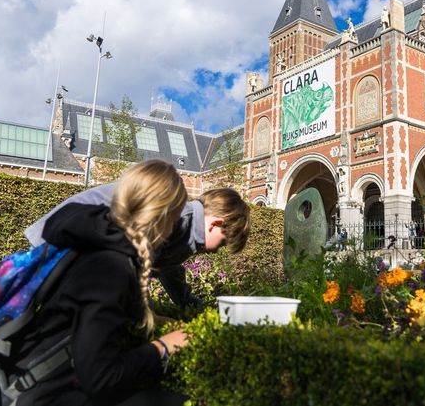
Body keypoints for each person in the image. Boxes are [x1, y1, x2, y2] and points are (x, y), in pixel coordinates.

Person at [17, 160, 195, 405]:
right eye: (174, 218)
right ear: (162, 216)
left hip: (49, 384)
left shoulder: (105, 247)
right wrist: (165, 346)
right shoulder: (111, 268)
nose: (174, 227)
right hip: (51, 395)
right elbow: (99, 378)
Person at [25, 177, 250, 306]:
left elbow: (169, 268)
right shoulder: (178, 217)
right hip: (62, 245)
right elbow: (132, 265)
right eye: (221, 243)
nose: (215, 252)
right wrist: (147, 315)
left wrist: (187, 302)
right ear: (216, 224)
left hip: (70, 245)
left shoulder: (187, 226)